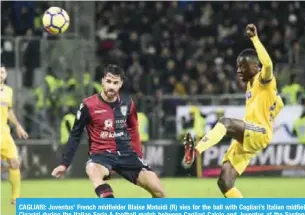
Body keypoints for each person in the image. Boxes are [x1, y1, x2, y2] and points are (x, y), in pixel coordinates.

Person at [182, 24, 284, 198]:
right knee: (225, 182)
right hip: (249, 135)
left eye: (242, 66)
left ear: (255, 67)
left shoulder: (263, 80)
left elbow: (268, 63)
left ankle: (196, 151)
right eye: (237, 66)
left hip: (259, 131)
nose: (238, 70)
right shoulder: (251, 87)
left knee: (226, 123)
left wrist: (254, 39)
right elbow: (278, 104)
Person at [51, 64, 165, 198]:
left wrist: (138, 154)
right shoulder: (88, 105)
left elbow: (133, 129)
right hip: (101, 155)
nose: (111, 86)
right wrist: (65, 164)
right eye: (109, 81)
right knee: (92, 168)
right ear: (103, 81)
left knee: (159, 192)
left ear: (121, 83)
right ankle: (109, 202)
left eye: (116, 83)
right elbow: (75, 135)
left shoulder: (128, 103)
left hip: (126, 154)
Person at [0, 65, 29, 204]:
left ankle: (15, 198)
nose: (0, 74)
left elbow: (9, 110)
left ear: (5, 74)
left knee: (15, 163)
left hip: (4, 134)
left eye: (2, 72)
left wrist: (17, 125)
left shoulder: (8, 91)